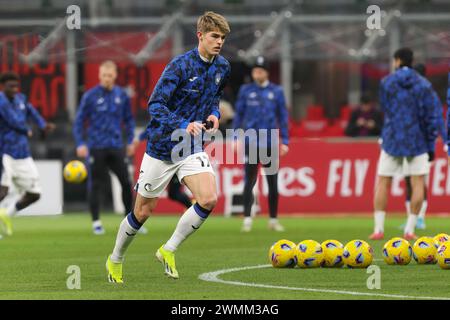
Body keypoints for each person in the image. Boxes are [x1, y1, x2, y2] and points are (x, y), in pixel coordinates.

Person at [105, 11, 231, 283]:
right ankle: (115, 259)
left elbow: (214, 98)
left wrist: (214, 115)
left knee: (208, 199)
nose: (219, 42)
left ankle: (168, 249)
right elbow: (155, 106)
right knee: (142, 212)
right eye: (214, 36)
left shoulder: (223, 67)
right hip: (163, 146)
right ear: (200, 36)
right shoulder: (180, 66)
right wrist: (183, 123)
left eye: (222, 37)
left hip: (192, 145)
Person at [370, 48, 439, 241]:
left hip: (392, 138)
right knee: (418, 183)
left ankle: (378, 229)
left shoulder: (387, 82)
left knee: (383, 181)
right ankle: (410, 230)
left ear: (398, 60)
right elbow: (430, 116)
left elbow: (385, 110)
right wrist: (431, 145)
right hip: (417, 140)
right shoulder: (423, 84)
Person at [73, 60, 139, 235]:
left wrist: (131, 140)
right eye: (104, 75)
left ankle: (129, 222)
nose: (107, 78)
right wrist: (80, 142)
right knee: (96, 184)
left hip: (116, 145)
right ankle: (96, 222)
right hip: (96, 146)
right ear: (99, 75)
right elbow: (79, 121)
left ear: (115, 76)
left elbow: (129, 120)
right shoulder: (90, 96)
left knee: (126, 182)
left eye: (110, 75)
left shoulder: (122, 96)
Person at [232, 56, 290, 232]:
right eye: (254, 70)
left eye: (260, 70)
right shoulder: (245, 90)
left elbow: (283, 117)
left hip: (270, 142)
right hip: (250, 141)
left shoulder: (277, 91)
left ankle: (273, 219)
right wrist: (235, 138)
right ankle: (247, 219)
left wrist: (285, 141)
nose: (256, 73)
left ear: (266, 72)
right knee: (249, 181)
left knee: (273, 182)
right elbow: (238, 116)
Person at [0, 71, 55, 235]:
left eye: (16, 86)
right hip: (5, 153)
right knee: (3, 190)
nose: (15, 89)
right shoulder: (1, 102)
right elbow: (13, 121)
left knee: (35, 194)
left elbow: (32, 112)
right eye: (11, 86)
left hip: (23, 154)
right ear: (3, 87)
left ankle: (6, 215)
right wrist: (27, 130)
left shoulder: (21, 99)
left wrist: (43, 125)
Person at [399, 63, 447, 230]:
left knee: (415, 181)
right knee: (415, 181)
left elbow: (437, 120)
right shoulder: (426, 93)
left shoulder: (423, 94)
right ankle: (413, 218)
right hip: (419, 144)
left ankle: (419, 218)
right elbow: (439, 120)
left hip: (417, 144)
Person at [137, 130, 193, 209]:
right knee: (172, 194)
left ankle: (191, 207)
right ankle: (191, 207)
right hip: (163, 160)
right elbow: (150, 129)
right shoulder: (161, 123)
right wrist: (139, 139)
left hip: (177, 161)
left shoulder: (177, 123)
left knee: (174, 193)